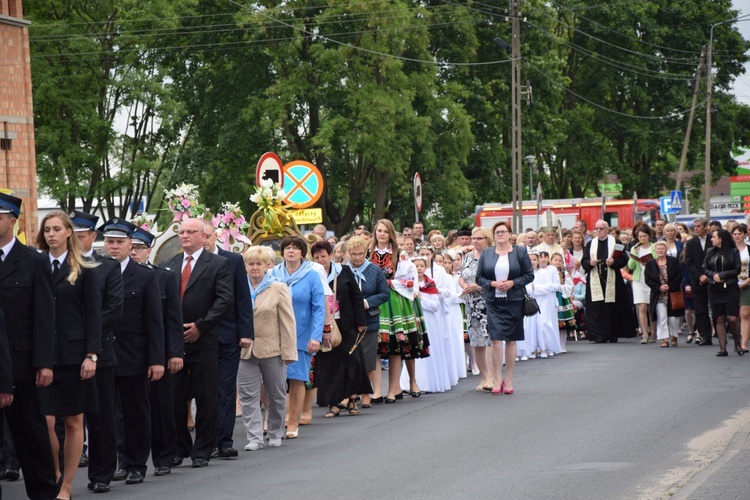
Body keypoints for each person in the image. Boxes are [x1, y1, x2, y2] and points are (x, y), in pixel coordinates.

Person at [36, 210, 102, 500]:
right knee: (45, 421)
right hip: (43, 357)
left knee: (75, 421)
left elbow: (94, 317)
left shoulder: (85, 270)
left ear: (68, 233)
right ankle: (54, 475)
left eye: (56, 229)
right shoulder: (36, 266)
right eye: (47, 229)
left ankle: (66, 486)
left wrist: (92, 355)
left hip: (75, 357)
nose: (51, 234)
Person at [0, 193, 58, 499]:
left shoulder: (34, 261)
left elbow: (44, 317)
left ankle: (44, 491)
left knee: (30, 433)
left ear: (12, 220)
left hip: (22, 363)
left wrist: (44, 362)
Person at [164, 218, 233, 468]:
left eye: (191, 232)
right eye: (181, 232)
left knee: (206, 397)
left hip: (204, 340)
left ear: (204, 236)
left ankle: (203, 448)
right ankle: (179, 447)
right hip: (174, 342)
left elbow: (224, 300)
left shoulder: (218, 264)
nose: (185, 236)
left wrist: (201, 327)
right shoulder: (168, 264)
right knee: (174, 397)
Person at [100, 218, 165, 485]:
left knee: (136, 412)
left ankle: (137, 463)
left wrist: (156, 359)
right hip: (105, 354)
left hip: (135, 355)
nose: (114, 247)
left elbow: (154, 321)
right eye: (110, 242)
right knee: (110, 413)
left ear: (130, 245)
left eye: (119, 242)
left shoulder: (145, 276)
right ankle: (120, 461)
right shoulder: (96, 271)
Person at [70, 210, 124, 493]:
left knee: (102, 416)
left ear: (93, 237)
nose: (74, 241)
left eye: (80, 236)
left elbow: (114, 309)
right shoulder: (54, 265)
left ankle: (102, 473)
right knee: (64, 417)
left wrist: (84, 338)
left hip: (98, 352)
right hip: (63, 352)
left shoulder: (106, 267)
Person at [129, 226, 184, 477]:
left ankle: (164, 456)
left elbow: (173, 318)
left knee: (162, 407)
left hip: (159, 351)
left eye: (139, 248)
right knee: (129, 411)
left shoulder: (164, 276)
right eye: (131, 248)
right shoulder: (115, 275)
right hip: (129, 352)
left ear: (149, 250)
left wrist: (174, 353)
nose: (134, 252)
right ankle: (128, 461)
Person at [202, 222, 253, 460]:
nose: (203, 240)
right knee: (205, 391)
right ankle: (206, 440)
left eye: (207, 236)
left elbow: (243, 297)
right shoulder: (187, 263)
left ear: (216, 236)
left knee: (225, 390)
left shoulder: (232, 260)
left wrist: (246, 332)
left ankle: (224, 440)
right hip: (199, 337)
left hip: (228, 335)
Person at [237, 246, 297, 450]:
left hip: (273, 350)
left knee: (276, 394)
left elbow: (288, 322)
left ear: (267, 266)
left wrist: (289, 352)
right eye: (250, 264)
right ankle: (254, 437)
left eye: (258, 264)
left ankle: (275, 431)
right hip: (245, 351)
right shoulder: (239, 287)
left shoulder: (278, 287)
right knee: (247, 396)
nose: (254, 268)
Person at [271, 236, 325, 438]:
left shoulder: (311, 275)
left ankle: (292, 422)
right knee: (271, 380)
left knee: (296, 378)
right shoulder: (273, 274)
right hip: (274, 334)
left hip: (302, 334)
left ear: (303, 253)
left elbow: (319, 308)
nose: (291, 251)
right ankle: (274, 419)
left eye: (295, 248)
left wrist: (316, 336)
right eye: (287, 248)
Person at [312, 241, 371, 417]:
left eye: (324, 256)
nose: (321, 260)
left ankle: (352, 400)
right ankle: (333, 403)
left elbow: (356, 296)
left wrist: (361, 322)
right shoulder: (312, 274)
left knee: (353, 360)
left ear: (331, 256)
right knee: (329, 364)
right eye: (317, 257)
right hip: (324, 326)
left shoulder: (343, 271)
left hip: (347, 324)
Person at [476, 221, 534, 395]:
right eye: (497, 232)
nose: (500, 235)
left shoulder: (520, 252)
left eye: (503, 231)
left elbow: (529, 275)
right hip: (493, 302)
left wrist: (512, 283)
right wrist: (493, 283)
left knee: (511, 340)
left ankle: (509, 379)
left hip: (514, 300)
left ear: (510, 234)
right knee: (495, 340)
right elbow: (479, 278)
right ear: (493, 236)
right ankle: (497, 379)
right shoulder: (487, 253)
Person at [369, 219, 424, 403]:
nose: (381, 234)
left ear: (390, 233)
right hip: (373, 301)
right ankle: (376, 390)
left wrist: (389, 283)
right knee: (375, 347)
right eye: (379, 231)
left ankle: (393, 390)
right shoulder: (369, 253)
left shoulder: (399, 255)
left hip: (392, 301)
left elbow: (409, 280)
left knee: (394, 347)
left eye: (385, 231)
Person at [345, 236, 389, 407]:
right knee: (350, 358)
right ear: (348, 253)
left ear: (366, 253)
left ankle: (366, 393)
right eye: (353, 254)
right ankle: (350, 394)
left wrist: (367, 302)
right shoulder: (342, 270)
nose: (357, 257)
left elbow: (384, 293)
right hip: (349, 321)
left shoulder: (374, 270)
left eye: (360, 254)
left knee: (368, 359)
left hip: (369, 318)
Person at [581, 220, 636, 343]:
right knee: (597, 307)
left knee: (612, 307)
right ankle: (598, 334)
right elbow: (584, 261)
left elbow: (623, 260)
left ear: (607, 230)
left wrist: (614, 263)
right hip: (595, 278)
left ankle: (612, 334)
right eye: (596, 229)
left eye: (601, 228)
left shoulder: (615, 242)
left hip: (612, 278)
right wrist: (590, 263)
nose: (598, 231)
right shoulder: (590, 244)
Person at [459, 227, 494, 391]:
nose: (474, 241)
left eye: (478, 238)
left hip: (488, 301)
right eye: (473, 238)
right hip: (471, 304)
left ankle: (492, 377)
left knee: (489, 341)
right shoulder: (467, 257)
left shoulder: (492, 256)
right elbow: (460, 276)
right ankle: (483, 376)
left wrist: (478, 286)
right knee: (477, 341)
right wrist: (465, 285)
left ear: (487, 239)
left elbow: (495, 279)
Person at [703, 229, 741, 356]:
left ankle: (737, 344)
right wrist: (713, 275)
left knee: (732, 318)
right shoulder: (710, 251)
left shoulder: (733, 251)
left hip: (730, 287)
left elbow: (737, 269)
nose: (711, 239)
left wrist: (722, 274)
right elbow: (705, 267)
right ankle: (722, 348)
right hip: (714, 289)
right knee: (718, 317)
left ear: (721, 239)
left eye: (714, 237)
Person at [645, 241, 684, 348]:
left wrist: (669, 286)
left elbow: (679, 275)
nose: (660, 250)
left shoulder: (674, 261)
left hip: (672, 293)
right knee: (661, 316)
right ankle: (665, 338)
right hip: (658, 295)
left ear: (666, 250)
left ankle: (673, 336)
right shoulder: (650, 264)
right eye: (658, 249)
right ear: (655, 250)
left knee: (673, 318)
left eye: (662, 248)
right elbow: (648, 280)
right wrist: (659, 287)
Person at [684, 218, 713, 346]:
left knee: (716, 309)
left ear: (706, 227)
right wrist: (699, 276)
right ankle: (705, 336)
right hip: (697, 281)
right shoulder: (691, 243)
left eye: (698, 226)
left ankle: (719, 332)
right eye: (694, 226)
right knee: (700, 310)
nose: (696, 228)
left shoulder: (713, 240)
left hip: (713, 279)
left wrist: (707, 275)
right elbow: (689, 262)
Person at [628, 225, 657, 344]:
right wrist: (635, 256)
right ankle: (645, 333)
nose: (642, 238)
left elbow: (657, 260)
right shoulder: (635, 248)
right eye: (640, 236)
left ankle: (653, 333)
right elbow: (630, 266)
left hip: (652, 280)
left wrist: (648, 263)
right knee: (642, 307)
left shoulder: (654, 247)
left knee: (652, 308)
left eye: (644, 236)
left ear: (649, 236)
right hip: (639, 280)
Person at [732, 224, 750, 353]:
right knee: (734, 316)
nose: (737, 236)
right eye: (735, 234)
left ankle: (744, 344)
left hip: (746, 284)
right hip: (731, 285)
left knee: (745, 314)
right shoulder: (729, 250)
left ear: (745, 234)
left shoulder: (748, 250)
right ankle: (737, 342)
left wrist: (745, 283)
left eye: (739, 233)